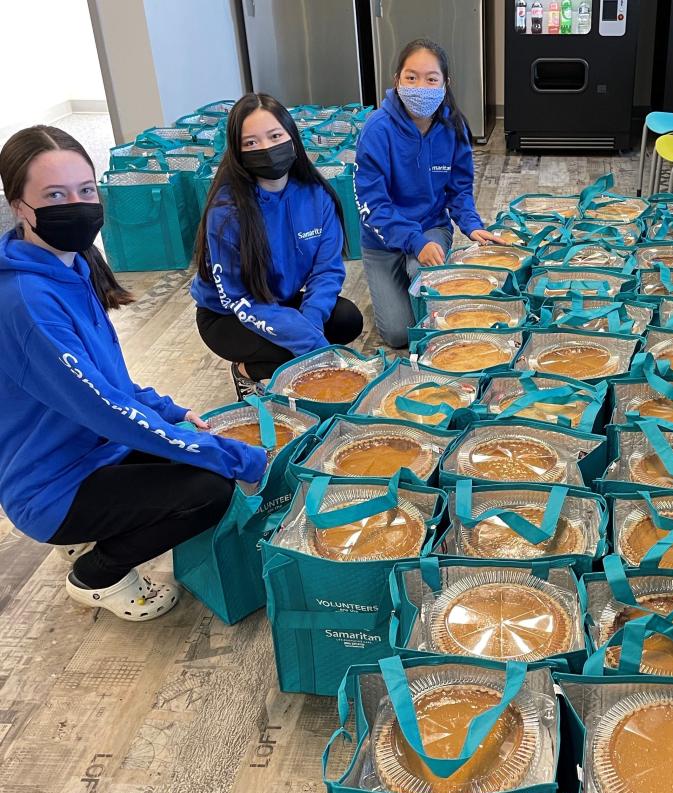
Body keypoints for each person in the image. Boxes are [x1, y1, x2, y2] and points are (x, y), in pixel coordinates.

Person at [0, 126, 267, 621]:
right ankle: (97, 575)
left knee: (197, 455)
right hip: (52, 485)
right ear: (18, 206)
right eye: (54, 195)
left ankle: (91, 533)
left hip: (94, 452)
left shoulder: (72, 264)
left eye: (85, 190)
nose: (76, 205)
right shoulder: (27, 301)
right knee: (209, 489)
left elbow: (108, 382)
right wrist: (230, 454)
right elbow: (104, 408)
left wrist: (170, 412)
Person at [192, 93, 362, 399]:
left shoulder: (315, 195)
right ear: (237, 152)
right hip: (229, 316)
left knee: (346, 320)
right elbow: (238, 299)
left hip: (281, 302)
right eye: (251, 143)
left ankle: (287, 351)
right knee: (292, 353)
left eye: (274, 136)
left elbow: (327, 271)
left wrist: (310, 323)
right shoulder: (227, 212)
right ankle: (245, 372)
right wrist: (307, 344)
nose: (266, 149)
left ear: (292, 137)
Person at [355, 37, 502, 348]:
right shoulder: (376, 130)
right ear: (396, 80)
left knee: (424, 277)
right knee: (398, 335)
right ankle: (400, 284)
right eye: (411, 77)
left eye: (431, 79)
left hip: (431, 227)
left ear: (445, 84)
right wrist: (412, 240)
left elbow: (459, 189)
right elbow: (372, 204)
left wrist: (473, 225)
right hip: (381, 241)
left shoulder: (453, 127)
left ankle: (418, 283)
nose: (420, 86)